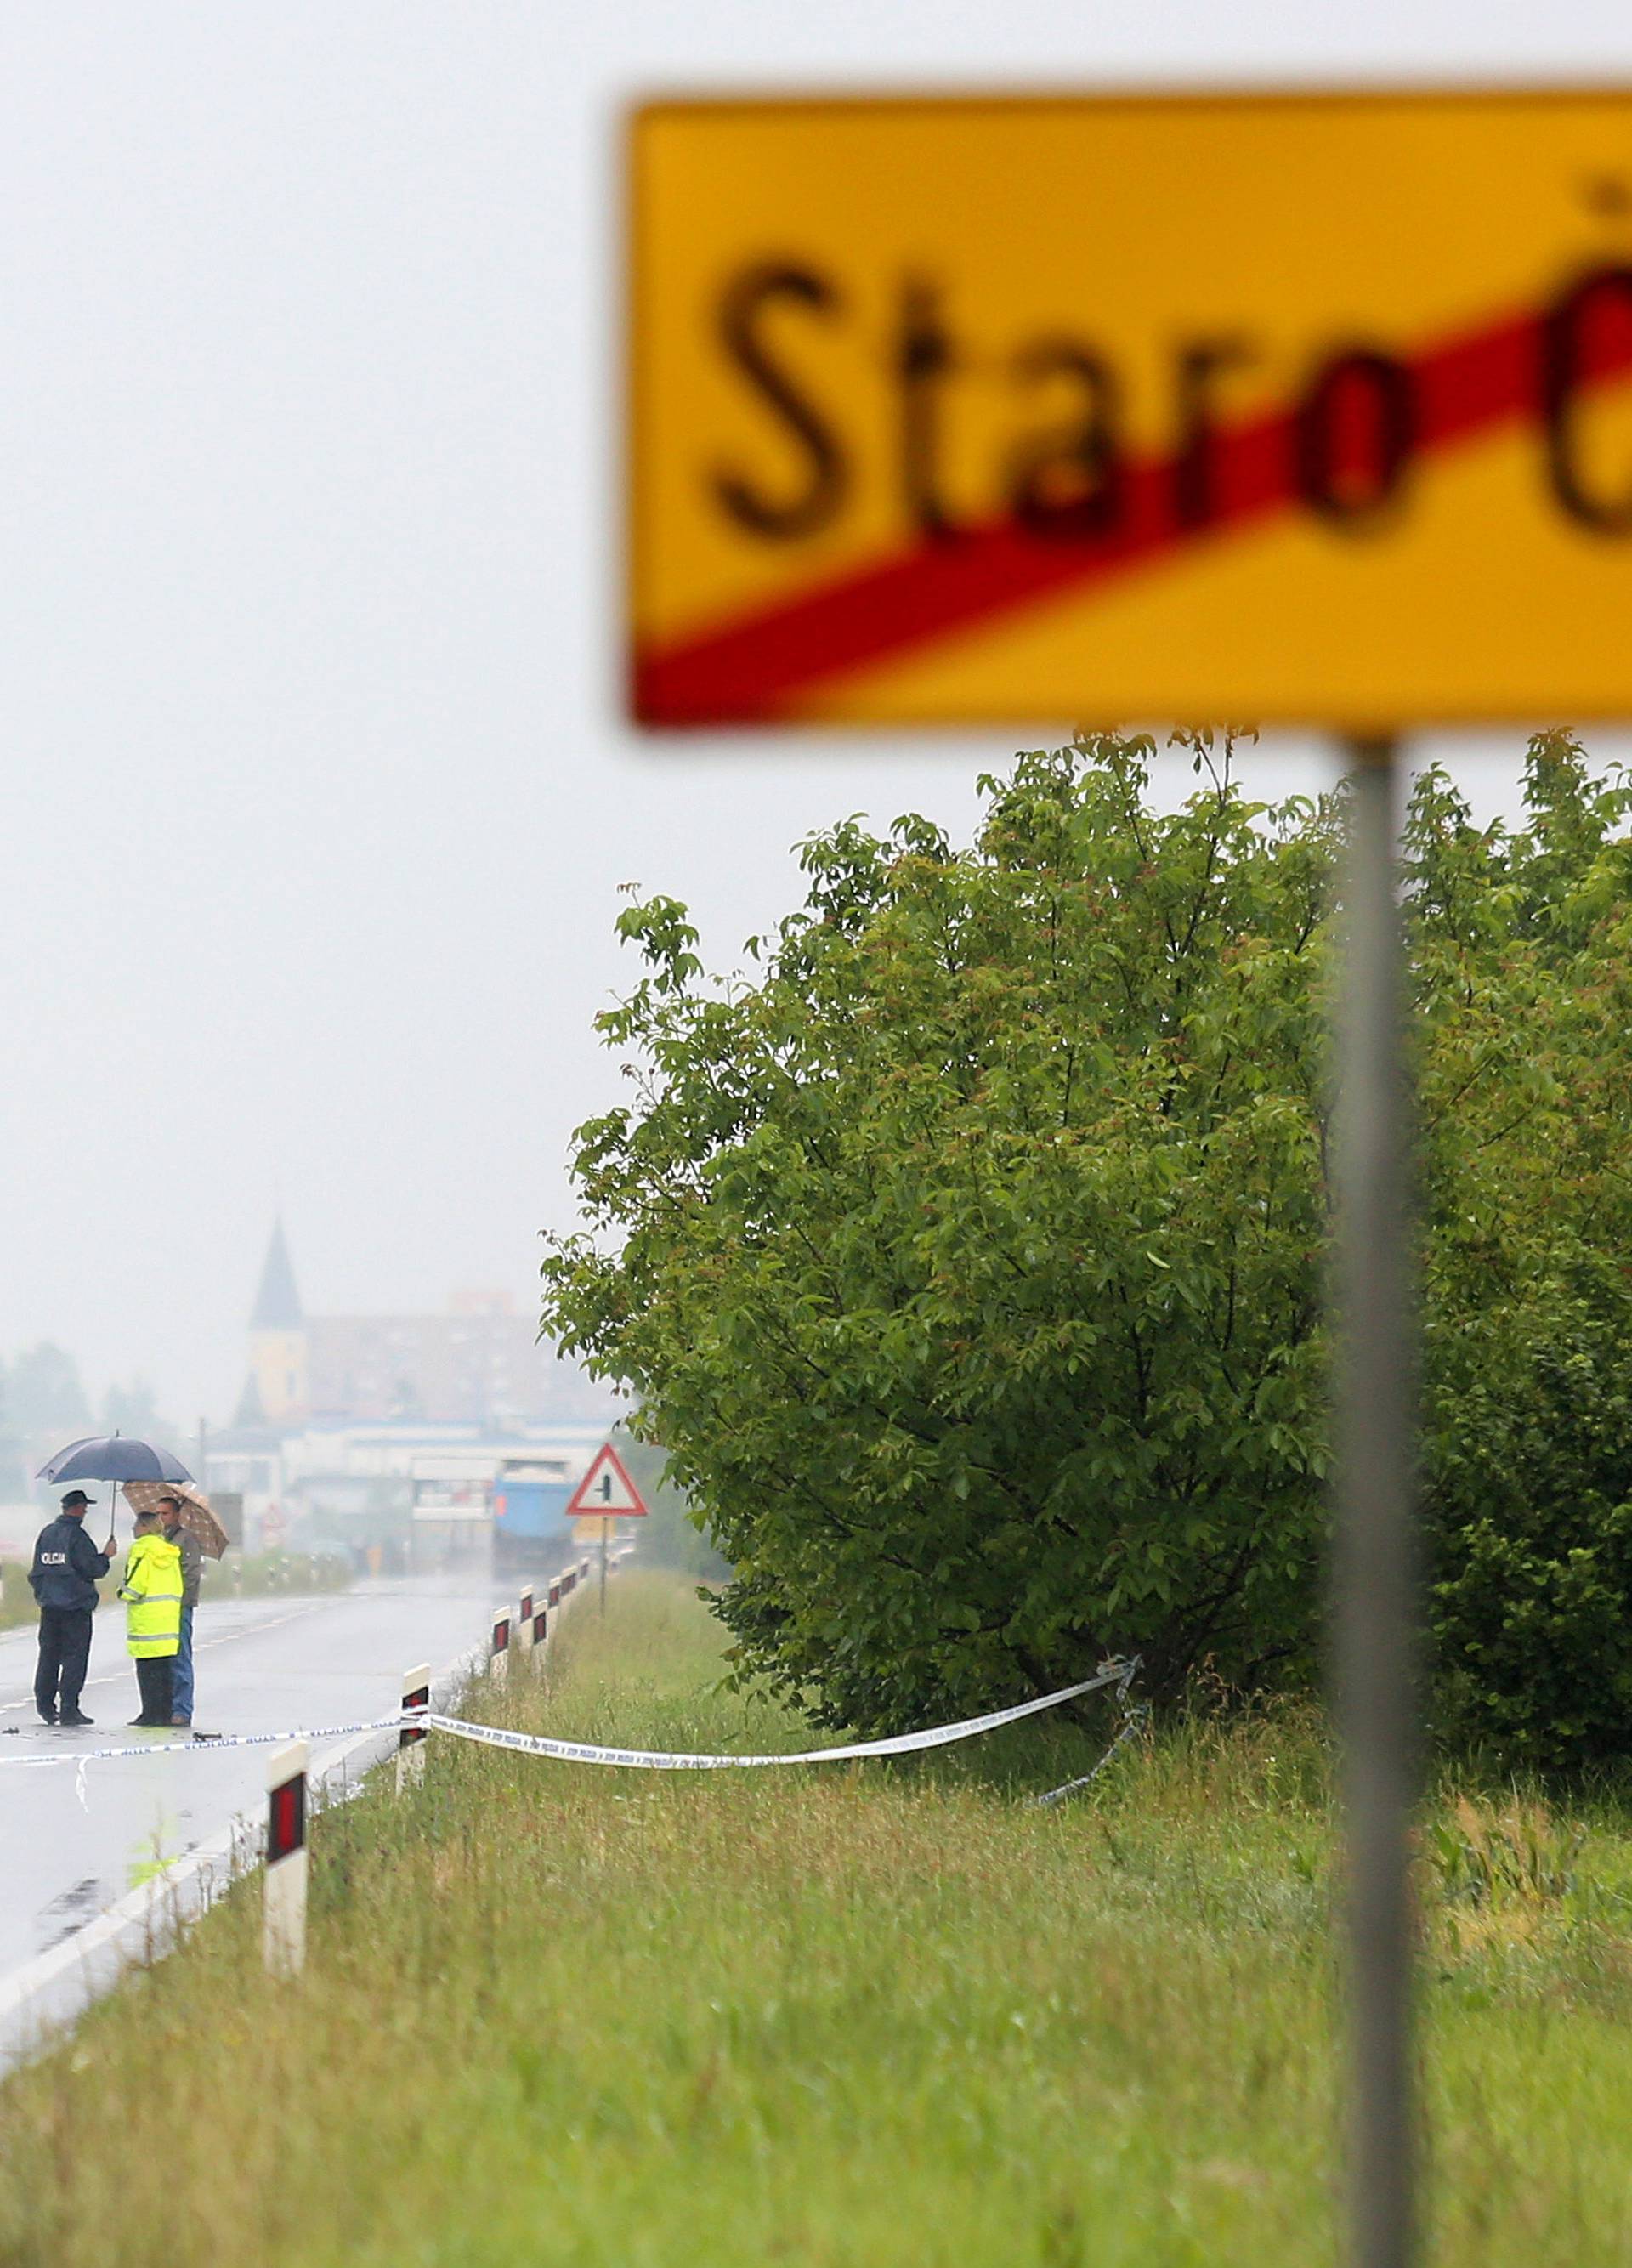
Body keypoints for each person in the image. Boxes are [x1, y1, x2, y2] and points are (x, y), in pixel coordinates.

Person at [28, 1488, 115, 1727]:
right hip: (75, 1608)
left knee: (48, 1657)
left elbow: (36, 1572)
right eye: (84, 1507)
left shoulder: (47, 1534)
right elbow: (93, 1569)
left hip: (49, 1608)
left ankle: (45, 1706)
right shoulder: (77, 1537)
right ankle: (69, 1708)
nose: (85, 1511)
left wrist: (44, 1595)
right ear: (77, 1509)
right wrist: (106, 1556)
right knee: (75, 1658)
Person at [118, 1507, 184, 1727]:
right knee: (165, 1672)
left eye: (137, 1524)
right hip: (167, 1621)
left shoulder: (141, 1550)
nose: (133, 1529)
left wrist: (122, 1592)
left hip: (146, 1623)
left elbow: (136, 1585)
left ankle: (149, 1714)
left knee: (147, 1672)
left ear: (145, 1527)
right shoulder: (170, 1552)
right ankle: (164, 1714)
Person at [156, 1494, 203, 1727]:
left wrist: (177, 1599)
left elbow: (191, 1574)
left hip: (180, 1608)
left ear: (176, 1514)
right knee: (164, 1660)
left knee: (181, 1658)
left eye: (165, 1513)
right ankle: (164, 1707)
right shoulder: (159, 1539)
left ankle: (182, 1709)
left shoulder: (187, 1540)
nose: (161, 1518)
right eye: (158, 1514)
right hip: (161, 1610)